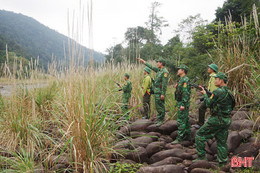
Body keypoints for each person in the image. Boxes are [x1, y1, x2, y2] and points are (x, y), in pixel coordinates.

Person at [194, 72, 235, 167]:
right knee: (221, 142)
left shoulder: (217, 91)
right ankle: (223, 162)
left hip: (216, 119)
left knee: (199, 135)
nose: (215, 80)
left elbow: (208, 104)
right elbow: (232, 106)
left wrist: (205, 94)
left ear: (221, 81)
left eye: (216, 79)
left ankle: (201, 158)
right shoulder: (229, 93)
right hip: (226, 120)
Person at [138, 57, 169, 126]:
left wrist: (163, 94)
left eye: (158, 62)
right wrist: (143, 62)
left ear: (161, 63)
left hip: (160, 92)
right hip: (157, 91)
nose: (157, 63)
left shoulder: (165, 72)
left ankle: (161, 120)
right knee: (158, 106)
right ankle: (159, 119)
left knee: (160, 106)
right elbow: (151, 67)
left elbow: (164, 84)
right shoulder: (159, 70)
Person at [172, 65, 191, 144]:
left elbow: (185, 93)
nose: (178, 71)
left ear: (183, 71)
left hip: (183, 102)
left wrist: (183, 104)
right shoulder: (181, 79)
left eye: (179, 69)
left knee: (181, 120)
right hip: (180, 101)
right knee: (185, 119)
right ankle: (187, 136)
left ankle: (179, 138)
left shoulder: (185, 79)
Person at [195, 63, 219, 128]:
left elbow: (213, 91)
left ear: (212, 69)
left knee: (210, 110)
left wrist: (208, 97)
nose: (208, 69)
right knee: (202, 108)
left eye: (209, 68)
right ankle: (202, 124)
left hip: (211, 97)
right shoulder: (212, 77)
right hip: (210, 96)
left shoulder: (214, 77)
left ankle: (203, 124)